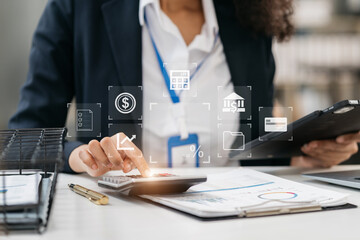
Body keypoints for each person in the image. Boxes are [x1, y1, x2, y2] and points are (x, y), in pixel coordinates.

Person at [9, 0, 360, 177]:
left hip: (236, 222)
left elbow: (257, 147)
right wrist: (79, 156)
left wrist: (308, 154)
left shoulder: (249, 16)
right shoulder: (77, 9)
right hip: (123, 224)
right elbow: (19, 140)